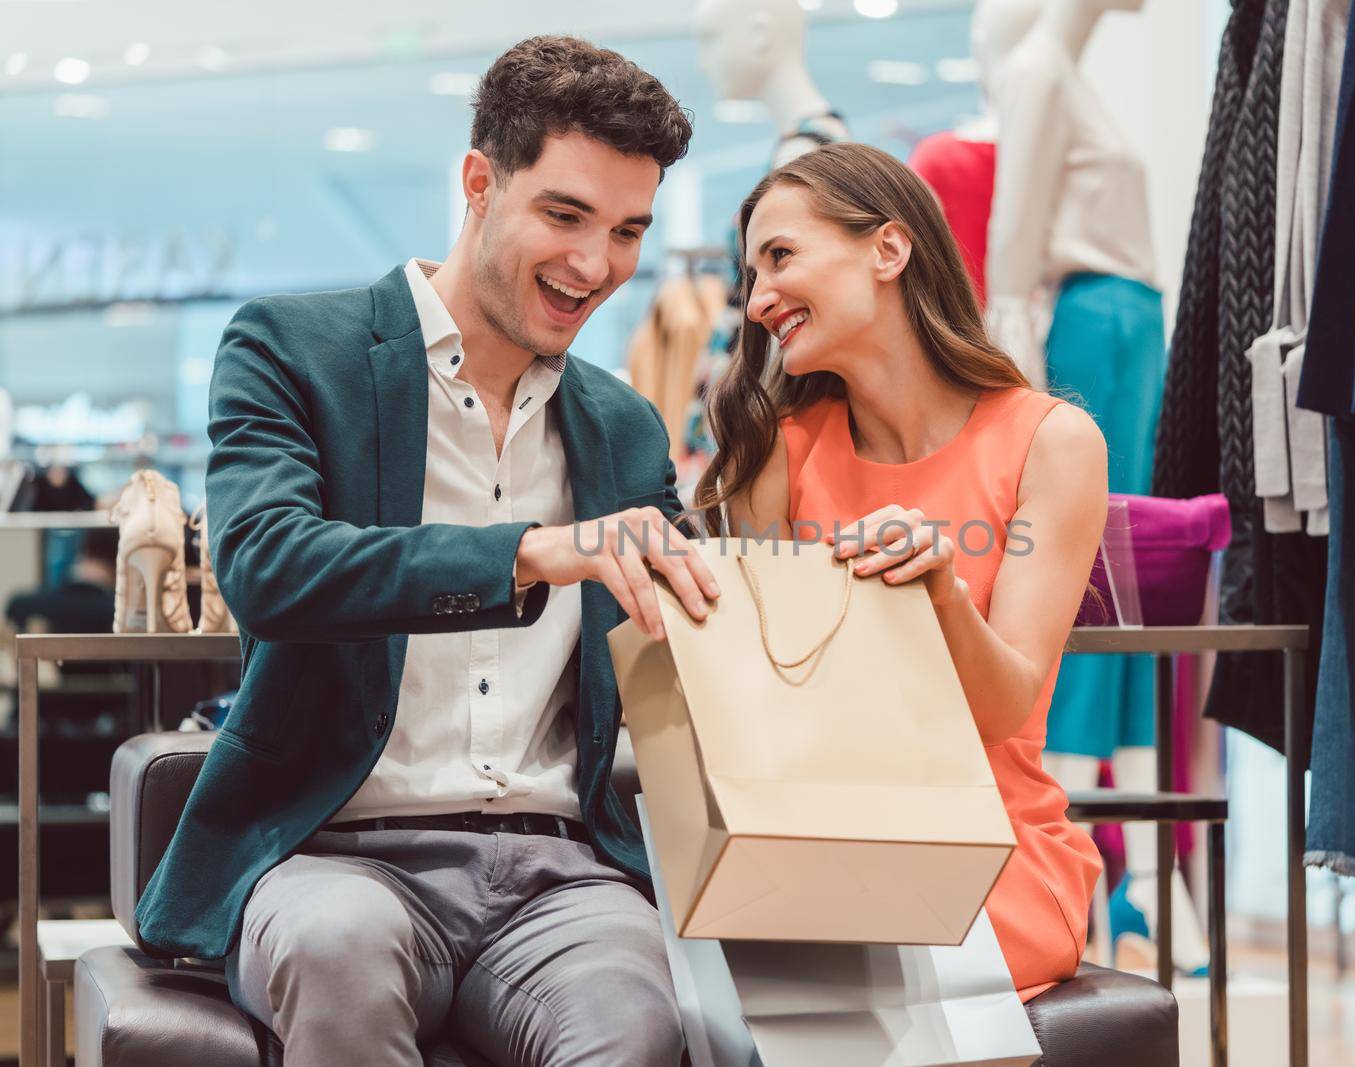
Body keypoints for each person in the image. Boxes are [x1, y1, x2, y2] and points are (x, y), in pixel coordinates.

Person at [134, 36, 721, 1067]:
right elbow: (269, 567)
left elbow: (690, 614)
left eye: (629, 230)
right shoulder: (291, 347)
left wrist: (856, 556)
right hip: (332, 852)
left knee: (641, 1016)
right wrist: (530, 552)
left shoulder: (624, 426)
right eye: (566, 215)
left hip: (560, 876)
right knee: (339, 951)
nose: (597, 266)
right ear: (478, 183)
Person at [697, 141, 1106, 1000]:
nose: (758, 297)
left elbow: (1003, 711)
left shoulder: (1053, 443)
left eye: (780, 256)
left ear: (888, 249)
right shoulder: (779, 451)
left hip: (992, 846)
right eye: (750, 273)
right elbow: (765, 710)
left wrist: (941, 594)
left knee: (842, 968)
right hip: (820, 836)